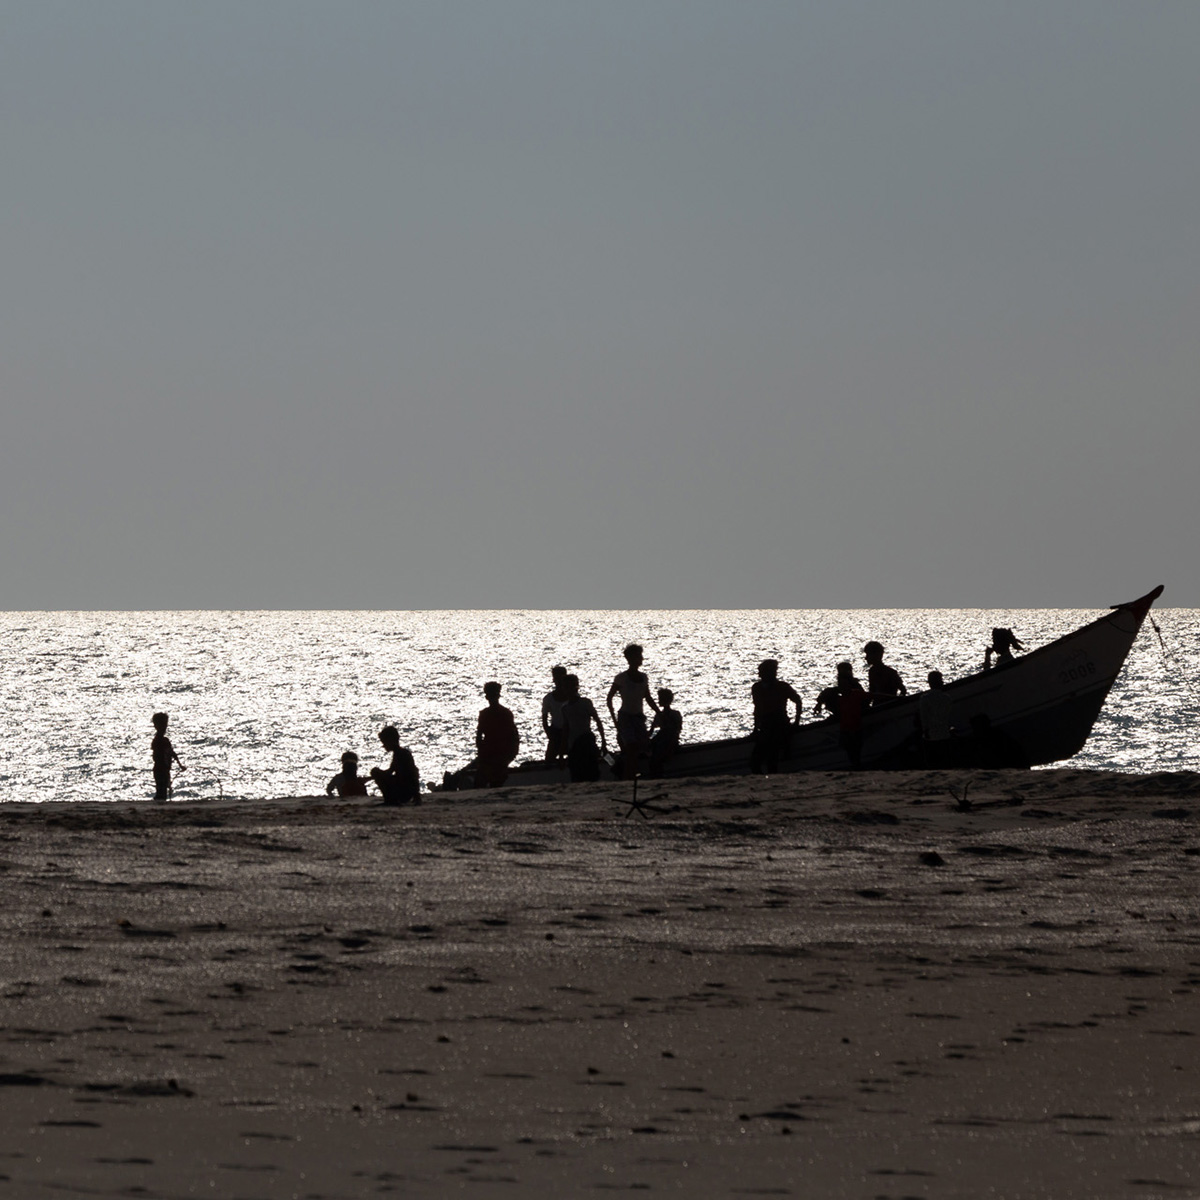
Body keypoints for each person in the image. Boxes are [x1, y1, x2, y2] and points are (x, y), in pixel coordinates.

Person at [606, 644, 659, 779]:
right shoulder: (621, 678)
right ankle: (628, 776)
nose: (641, 659)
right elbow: (609, 698)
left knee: (643, 747)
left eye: (640, 656)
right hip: (625, 716)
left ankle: (634, 773)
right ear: (630, 658)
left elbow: (647, 697)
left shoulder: (644, 677)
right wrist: (614, 720)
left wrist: (658, 712)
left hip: (638, 717)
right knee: (631, 747)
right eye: (638, 656)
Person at [750, 660, 803, 774]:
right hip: (765, 725)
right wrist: (755, 728)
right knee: (757, 761)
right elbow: (757, 709)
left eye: (762, 672)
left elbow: (798, 701)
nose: (759, 675)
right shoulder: (757, 687)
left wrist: (796, 722)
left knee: (770, 758)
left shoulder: (782, 687)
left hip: (779, 724)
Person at [562, 674, 607, 783]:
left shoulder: (585, 703)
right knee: (577, 773)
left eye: (570, 687)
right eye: (566, 687)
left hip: (586, 740)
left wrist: (603, 742)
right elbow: (566, 730)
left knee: (592, 772)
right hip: (574, 745)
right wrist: (562, 751)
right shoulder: (565, 708)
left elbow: (598, 721)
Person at [475, 682, 520, 788]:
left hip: (501, 754)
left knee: (494, 780)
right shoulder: (484, 714)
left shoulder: (505, 713)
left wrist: (509, 755)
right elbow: (479, 735)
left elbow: (513, 736)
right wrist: (481, 752)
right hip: (488, 754)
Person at [371, 725, 421, 805]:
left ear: (390, 741)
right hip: (407, 790)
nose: (384, 746)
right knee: (376, 772)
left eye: (384, 742)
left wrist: (377, 774)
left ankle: (390, 800)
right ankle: (391, 799)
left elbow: (411, 775)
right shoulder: (400, 753)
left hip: (404, 790)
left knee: (375, 771)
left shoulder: (400, 754)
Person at [916, 671, 956, 767]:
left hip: (930, 736)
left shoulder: (924, 699)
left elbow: (924, 719)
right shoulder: (947, 698)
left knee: (932, 763)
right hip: (945, 734)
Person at [647, 688, 682, 778]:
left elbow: (676, 731)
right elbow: (650, 732)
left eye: (660, 698)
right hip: (662, 739)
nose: (658, 700)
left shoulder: (673, 714)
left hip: (668, 740)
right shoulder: (663, 715)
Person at [151, 712, 183, 802]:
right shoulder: (158, 741)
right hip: (160, 769)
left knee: (163, 789)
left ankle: (160, 804)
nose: (165, 727)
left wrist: (180, 765)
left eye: (165, 725)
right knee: (161, 790)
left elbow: (172, 753)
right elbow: (158, 756)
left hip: (164, 769)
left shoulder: (164, 740)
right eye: (163, 725)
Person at [541, 665, 569, 764]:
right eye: (556, 678)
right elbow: (544, 720)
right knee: (549, 761)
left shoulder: (573, 697)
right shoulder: (548, 698)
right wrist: (550, 735)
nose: (558, 681)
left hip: (572, 732)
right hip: (556, 732)